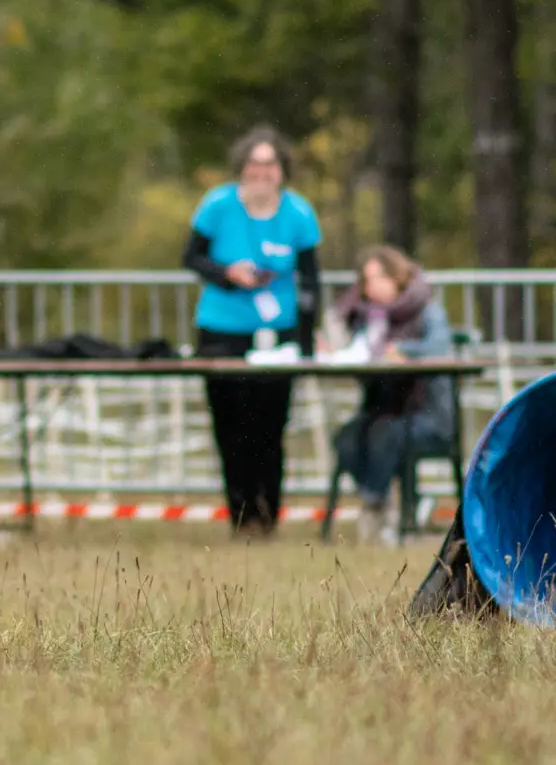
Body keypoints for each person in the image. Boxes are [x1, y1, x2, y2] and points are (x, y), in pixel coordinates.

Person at [180, 125, 322, 537]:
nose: (262, 172)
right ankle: (240, 515)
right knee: (230, 423)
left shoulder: (298, 213)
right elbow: (190, 257)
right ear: (242, 167)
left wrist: (308, 340)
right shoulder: (217, 205)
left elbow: (311, 280)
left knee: (270, 424)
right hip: (222, 327)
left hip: (278, 332)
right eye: (254, 164)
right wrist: (228, 274)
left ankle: (268, 514)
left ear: (282, 169)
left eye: (270, 164)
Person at [329, 244, 456, 546]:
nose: (369, 287)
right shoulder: (369, 317)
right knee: (346, 438)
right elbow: (360, 352)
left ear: (396, 277)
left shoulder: (428, 311)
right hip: (383, 409)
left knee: (385, 433)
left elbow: (441, 349)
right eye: (365, 280)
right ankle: (386, 503)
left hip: (427, 414)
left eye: (375, 278)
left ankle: (384, 507)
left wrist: (402, 351)